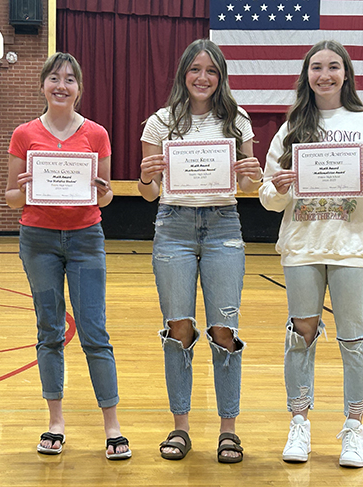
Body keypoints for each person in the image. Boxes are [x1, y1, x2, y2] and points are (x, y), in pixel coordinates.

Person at [258, 40, 363, 468]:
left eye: (333, 67)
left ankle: (354, 427)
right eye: (317, 67)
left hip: (353, 247)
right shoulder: (292, 127)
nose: (325, 75)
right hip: (302, 246)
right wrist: (278, 188)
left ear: (346, 74)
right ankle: (299, 422)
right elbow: (268, 196)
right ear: (306, 75)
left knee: (354, 336)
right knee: (301, 334)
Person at [139, 39, 263, 462]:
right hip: (173, 226)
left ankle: (229, 430)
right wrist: (145, 177)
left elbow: (247, 186)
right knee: (179, 329)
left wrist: (253, 173)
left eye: (211, 70)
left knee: (224, 330)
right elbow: (149, 194)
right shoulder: (160, 122)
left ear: (220, 76)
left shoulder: (237, 120)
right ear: (183, 74)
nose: (203, 77)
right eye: (195, 69)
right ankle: (181, 427)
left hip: (223, 226)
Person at [5, 52, 131, 460]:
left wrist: (103, 190)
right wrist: (24, 188)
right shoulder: (24, 134)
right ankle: (55, 422)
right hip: (38, 239)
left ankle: (112, 426)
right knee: (49, 330)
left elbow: (105, 197)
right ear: (43, 84)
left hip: (85, 239)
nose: (62, 85)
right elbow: (11, 198)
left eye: (70, 79)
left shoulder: (97, 134)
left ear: (79, 88)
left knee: (95, 332)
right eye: (55, 78)